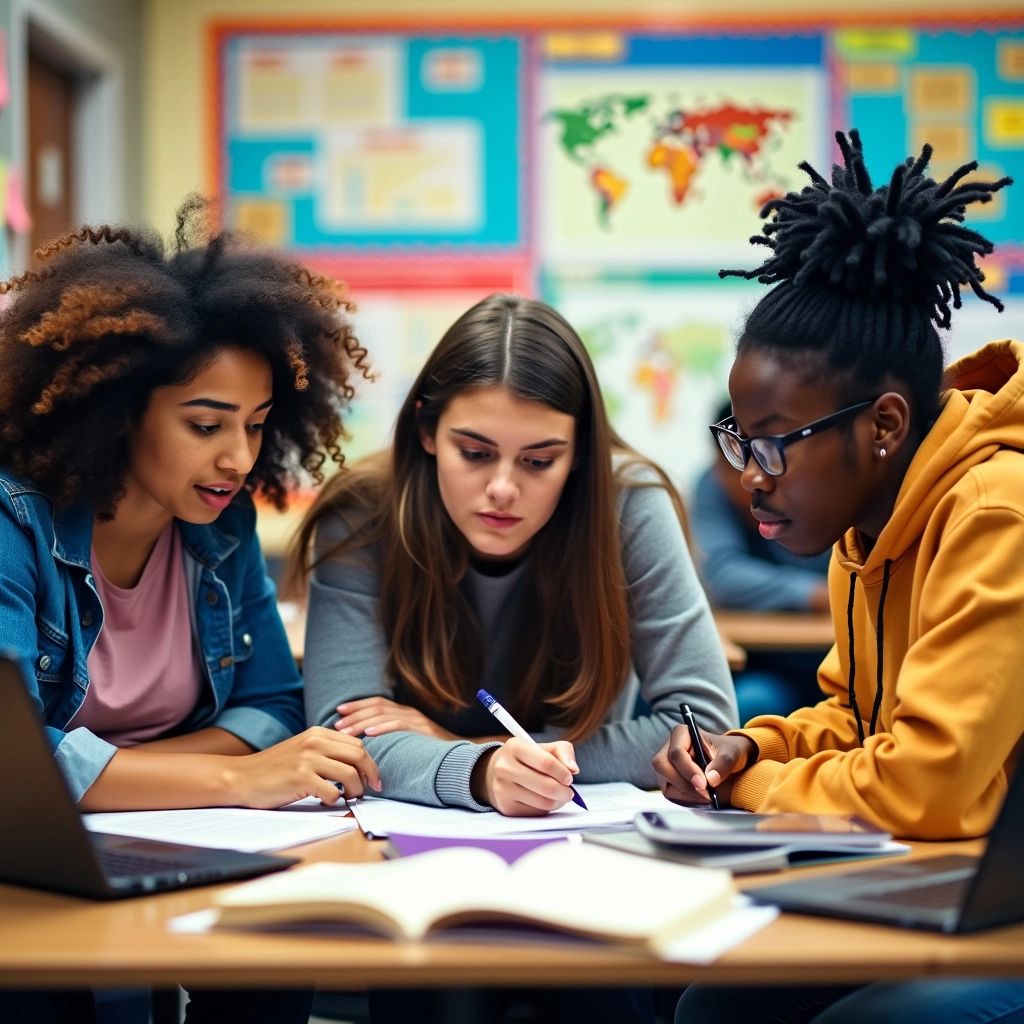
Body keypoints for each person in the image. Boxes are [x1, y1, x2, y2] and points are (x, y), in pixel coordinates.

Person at [654, 131, 1024, 1022]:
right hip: (954, 883)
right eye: (738, 441)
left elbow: (920, 785)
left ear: (885, 426)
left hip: (999, 906)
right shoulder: (866, 528)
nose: (752, 475)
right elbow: (857, 718)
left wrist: (743, 788)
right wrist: (752, 746)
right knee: (713, 1007)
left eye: (775, 441)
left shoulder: (992, 511)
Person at [293, 293, 737, 1024]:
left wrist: (465, 751)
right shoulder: (363, 517)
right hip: (417, 855)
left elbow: (702, 729)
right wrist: (481, 771)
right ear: (427, 430)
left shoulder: (631, 506)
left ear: (581, 453)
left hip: (592, 853)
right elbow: (344, 735)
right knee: (433, 988)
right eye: (474, 452)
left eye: (541, 460)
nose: (503, 487)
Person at [0, 201, 381, 1024]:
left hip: (180, 843)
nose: (238, 459)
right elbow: (19, 760)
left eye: (255, 425)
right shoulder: (14, 522)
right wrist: (233, 777)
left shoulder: (221, 527)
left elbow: (274, 704)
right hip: (33, 873)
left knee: (277, 957)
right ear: (117, 410)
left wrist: (129, 772)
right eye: (205, 424)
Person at [692, 396, 831, 720]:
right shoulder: (712, 488)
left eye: (764, 459)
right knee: (750, 704)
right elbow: (723, 577)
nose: (750, 478)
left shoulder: (826, 487)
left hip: (844, 661)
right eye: (733, 462)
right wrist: (815, 594)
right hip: (767, 663)